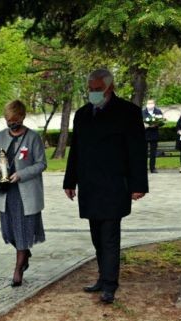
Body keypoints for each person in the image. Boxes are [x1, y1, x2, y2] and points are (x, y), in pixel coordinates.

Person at [63, 68, 148, 304]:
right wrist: (70, 181)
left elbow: (137, 151)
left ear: (110, 88)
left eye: (98, 89)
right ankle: (103, 277)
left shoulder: (128, 112)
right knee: (96, 236)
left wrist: (138, 184)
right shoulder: (82, 114)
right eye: (90, 89)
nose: (93, 93)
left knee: (109, 236)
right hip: (90, 186)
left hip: (114, 186)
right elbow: (76, 150)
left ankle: (110, 284)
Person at [0, 100, 47, 287]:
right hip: (6, 192)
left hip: (25, 193)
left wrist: (21, 174)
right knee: (8, 232)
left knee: (22, 231)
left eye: (14, 119)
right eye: (8, 119)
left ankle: (18, 269)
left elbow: (41, 164)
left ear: (22, 116)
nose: (11, 123)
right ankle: (25, 252)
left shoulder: (33, 137)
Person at [142, 99, 164, 173]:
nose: (150, 105)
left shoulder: (158, 111)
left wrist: (156, 124)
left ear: (154, 104)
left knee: (153, 153)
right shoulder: (142, 112)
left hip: (154, 134)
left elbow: (162, 122)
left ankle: (152, 168)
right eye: (148, 103)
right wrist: (145, 125)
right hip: (144, 135)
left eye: (151, 103)